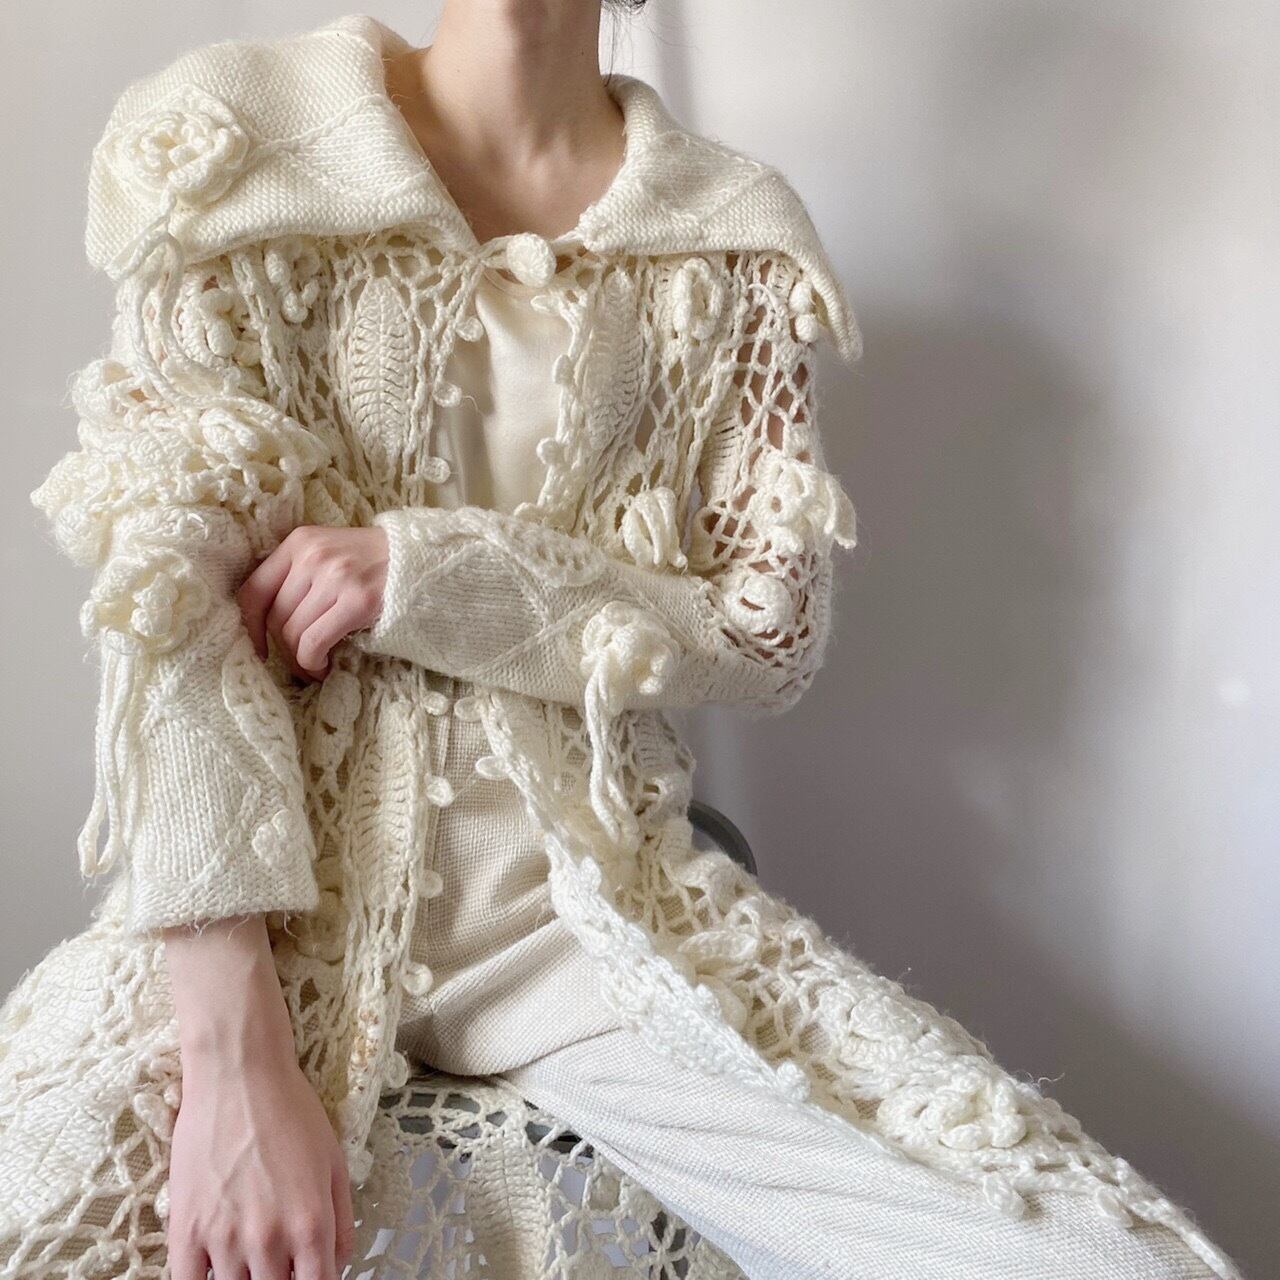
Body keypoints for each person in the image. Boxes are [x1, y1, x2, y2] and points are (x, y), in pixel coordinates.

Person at [0, 6, 1243, 1280]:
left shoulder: (724, 231)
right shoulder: (240, 139)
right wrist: (231, 1057)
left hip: (582, 925)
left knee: (1102, 1260)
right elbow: (165, 601)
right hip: (262, 924)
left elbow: (761, 629)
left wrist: (437, 575)